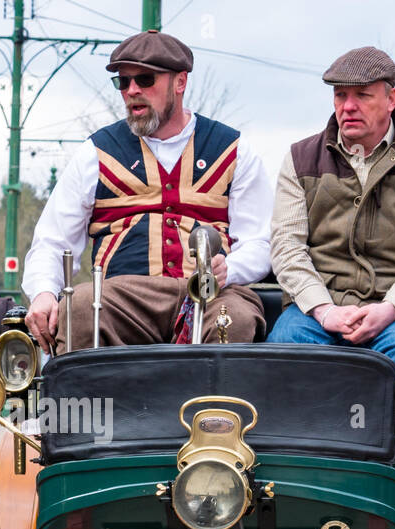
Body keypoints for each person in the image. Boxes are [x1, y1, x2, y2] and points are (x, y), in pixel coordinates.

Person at [23, 30, 271, 350]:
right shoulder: (96, 152)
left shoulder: (233, 150)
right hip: (124, 297)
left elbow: (260, 242)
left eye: (145, 79)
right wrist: (44, 292)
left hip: (211, 292)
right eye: (123, 82)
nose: (132, 91)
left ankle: (209, 403)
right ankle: (92, 402)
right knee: (81, 307)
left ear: (180, 82)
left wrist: (228, 270)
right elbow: (52, 241)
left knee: (233, 317)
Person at [268, 46, 395, 392]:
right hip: (316, 312)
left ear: (392, 99)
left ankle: (380, 447)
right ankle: (298, 446)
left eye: (362, 95)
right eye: (340, 95)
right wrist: (324, 310)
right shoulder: (300, 160)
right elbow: (287, 248)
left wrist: (389, 309)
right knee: (285, 343)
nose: (348, 106)